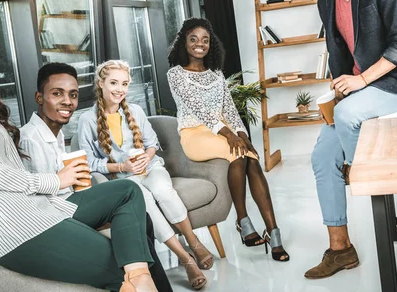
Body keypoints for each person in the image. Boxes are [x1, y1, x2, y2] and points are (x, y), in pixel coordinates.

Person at [0, 13, 157, 292]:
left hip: (35, 207)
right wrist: (56, 181)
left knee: (127, 192)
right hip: (8, 227)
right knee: (123, 261)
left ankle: (140, 279)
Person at [304, 0, 397, 279]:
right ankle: (340, 250)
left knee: (350, 115)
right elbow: (339, 52)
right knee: (322, 157)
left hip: (395, 85)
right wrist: (338, 88)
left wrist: (360, 81)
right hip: (356, 90)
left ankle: (367, 177)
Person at [19, 62, 172, 291]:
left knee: (143, 221)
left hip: (68, 203)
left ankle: (151, 284)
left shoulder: (56, 133)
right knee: (127, 191)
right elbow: (40, 195)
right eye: (57, 93)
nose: (67, 102)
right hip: (54, 215)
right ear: (39, 98)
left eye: (73, 94)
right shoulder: (31, 138)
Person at [78, 60, 211, 290]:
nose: (120, 89)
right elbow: (88, 162)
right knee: (145, 201)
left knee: (162, 190)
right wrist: (123, 168)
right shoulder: (87, 120)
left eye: (125, 84)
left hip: (150, 169)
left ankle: (194, 242)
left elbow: (152, 144)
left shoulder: (136, 111)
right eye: (113, 83)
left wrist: (146, 158)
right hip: (124, 180)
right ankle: (185, 258)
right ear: (100, 83)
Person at [167, 17, 289, 262]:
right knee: (238, 152)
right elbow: (199, 109)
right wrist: (230, 136)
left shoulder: (216, 74)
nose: (200, 44)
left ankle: (272, 231)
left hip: (223, 130)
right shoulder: (176, 75)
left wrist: (242, 134)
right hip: (195, 134)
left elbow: (230, 110)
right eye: (194, 39)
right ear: (184, 42)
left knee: (251, 158)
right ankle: (243, 220)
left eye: (205, 40)